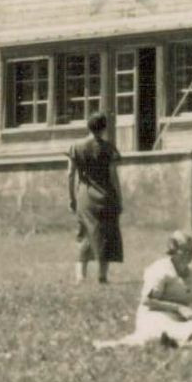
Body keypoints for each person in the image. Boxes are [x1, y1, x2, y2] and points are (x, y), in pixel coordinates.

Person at [93, 231, 192, 349]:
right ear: (173, 251)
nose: (190, 254)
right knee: (157, 335)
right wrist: (178, 307)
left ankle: (186, 345)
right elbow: (147, 300)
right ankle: (181, 343)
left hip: (180, 318)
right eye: (185, 250)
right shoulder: (159, 269)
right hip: (155, 315)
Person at [66, 112, 123, 284]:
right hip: (106, 196)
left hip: (85, 196)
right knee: (106, 234)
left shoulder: (75, 147)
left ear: (88, 126)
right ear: (104, 128)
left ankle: (80, 276)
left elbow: (70, 174)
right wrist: (119, 198)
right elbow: (113, 176)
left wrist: (71, 198)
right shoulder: (109, 148)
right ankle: (102, 276)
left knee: (84, 234)